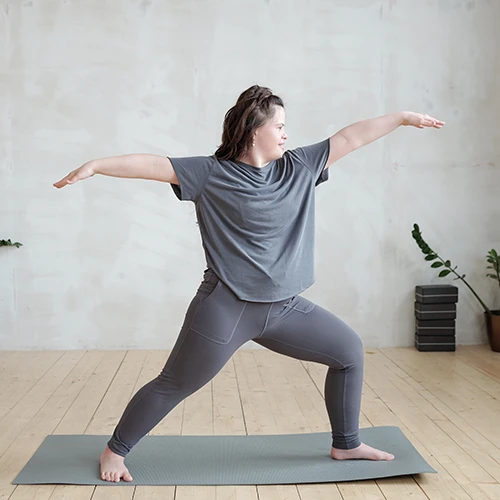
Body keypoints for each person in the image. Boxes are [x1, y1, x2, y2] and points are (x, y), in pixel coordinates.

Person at [54, 85, 444, 483]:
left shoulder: (300, 167)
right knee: (175, 383)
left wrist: (401, 118)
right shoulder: (211, 173)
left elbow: (350, 137)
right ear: (255, 130)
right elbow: (153, 164)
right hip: (226, 308)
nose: (286, 134)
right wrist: (96, 165)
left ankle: (346, 443)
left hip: (285, 308)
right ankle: (115, 450)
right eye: (280, 126)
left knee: (348, 352)